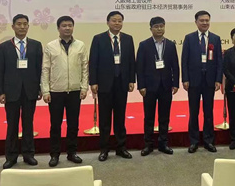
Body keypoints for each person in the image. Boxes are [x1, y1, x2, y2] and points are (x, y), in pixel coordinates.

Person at [41, 16, 89, 167]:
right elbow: (45, 69)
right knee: (55, 125)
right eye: (64, 25)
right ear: (58, 28)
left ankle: (72, 152)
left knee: (73, 124)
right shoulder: (50, 46)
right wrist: (45, 91)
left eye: (70, 25)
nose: (67, 28)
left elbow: (85, 68)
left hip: (74, 91)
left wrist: (84, 87)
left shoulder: (80, 45)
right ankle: (54, 154)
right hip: (56, 92)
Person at [0, 14, 43, 168]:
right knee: (12, 125)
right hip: (11, 91)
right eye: (19, 24)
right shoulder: (4, 47)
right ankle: (11, 156)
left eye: (25, 24)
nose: (22, 27)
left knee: (28, 124)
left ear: (28, 26)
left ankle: (29, 154)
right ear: (13, 26)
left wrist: (40, 88)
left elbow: (39, 69)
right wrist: (0, 92)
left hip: (30, 90)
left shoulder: (36, 45)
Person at [89, 11, 136, 161]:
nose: (117, 23)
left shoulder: (128, 39)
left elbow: (131, 61)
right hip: (104, 84)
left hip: (122, 83)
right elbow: (93, 61)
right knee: (104, 118)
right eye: (114, 20)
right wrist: (93, 82)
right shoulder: (99, 39)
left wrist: (131, 80)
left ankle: (121, 148)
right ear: (108, 22)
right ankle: (104, 149)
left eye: (119, 21)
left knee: (120, 117)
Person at [136, 16, 179, 156]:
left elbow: (175, 66)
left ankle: (163, 143)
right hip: (149, 87)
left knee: (164, 116)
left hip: (166, 86)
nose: (159, 29)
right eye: (156, 27)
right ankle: (148, 145)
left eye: (161, 26)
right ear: (151, 29)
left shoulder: (170, 45)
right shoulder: (144, 45)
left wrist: (175, 83)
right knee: (149, 116)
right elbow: (139, 67)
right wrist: (141, 86)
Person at [181, 10, 223, 153]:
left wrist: (218, 79)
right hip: (193, 81)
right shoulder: (189, 38)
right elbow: (184, 60)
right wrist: (185, 79)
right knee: (193, 112)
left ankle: (208, 141)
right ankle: (193, 142)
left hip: (209, 81)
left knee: (208, 112)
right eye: (202, 20)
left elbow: (219, 61)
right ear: (196, 22)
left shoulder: (215, 39)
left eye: (207, 20)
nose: (205, 23)